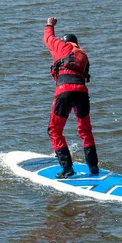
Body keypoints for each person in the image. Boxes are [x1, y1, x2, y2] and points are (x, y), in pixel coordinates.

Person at [43, 16, 99, 179]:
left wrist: (49, 25)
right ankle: (93, 167)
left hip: (65, 91)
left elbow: (48, 38)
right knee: (85, 130)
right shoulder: (84, 56)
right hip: (82, 93)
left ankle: (67, 169)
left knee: (54, 130)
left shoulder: (62, 47)